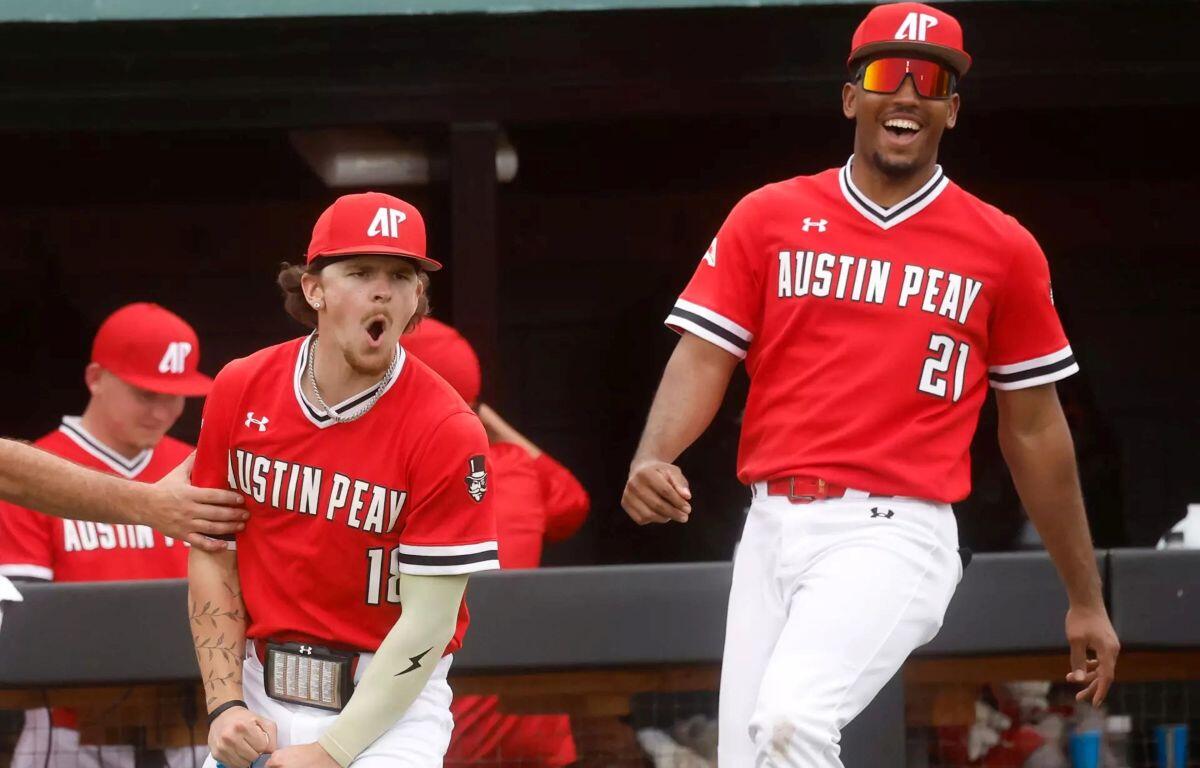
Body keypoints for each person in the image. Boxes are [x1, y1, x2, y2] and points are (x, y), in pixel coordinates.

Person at [621, 3, 1120, 766]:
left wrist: (1084, 595)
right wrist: (654, 452)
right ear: (852, 95)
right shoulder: (770, 214)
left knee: (791, 723)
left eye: (933, 81)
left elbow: (1034, 431)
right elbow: (703, 355)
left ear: (952, 110)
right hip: (771, 527)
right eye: (891, 74)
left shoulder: (1003, 246)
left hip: (897, 529)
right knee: (750, 757)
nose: (910, 93)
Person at [187, 192, 499, 768]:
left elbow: (430, 624)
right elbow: (212, 549)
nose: (383, 289)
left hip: (389, 703)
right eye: (359, 271)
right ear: (314, 289)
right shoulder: (241, 386)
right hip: (260, 682)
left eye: (401, 275)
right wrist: (224, 703)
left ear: (417, 298)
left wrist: (330, 752)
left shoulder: (447, 428)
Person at [0, 302, 216, 768]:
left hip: (192, 719)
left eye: (175, 395)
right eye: (145, 393)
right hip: (69, 732)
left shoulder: (201, 466)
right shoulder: (33, 473)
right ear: (96, 378)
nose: (162, 411)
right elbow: (22, 622)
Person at [402, 318, 590, 768]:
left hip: (439, 731)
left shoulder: (391, 477)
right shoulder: (517, 470)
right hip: (530, 729)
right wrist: (476, 411)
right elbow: (573, 503)